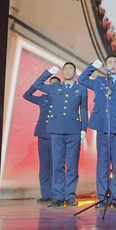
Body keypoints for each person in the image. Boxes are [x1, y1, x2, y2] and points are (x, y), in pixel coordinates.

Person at [78, 55, 116, 207]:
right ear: (105, 67)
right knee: (102, 165)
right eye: (109, 62)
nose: (112, 65)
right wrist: (93, 66)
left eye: (115, 62)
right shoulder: (99, 81)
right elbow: (82, 79)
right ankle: (103, 197)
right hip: (103, 127)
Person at [31, 62, 88, 207]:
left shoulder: (81, 89)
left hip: (74, 130)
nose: (68, 71)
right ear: (62, 72)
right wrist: (48, 72)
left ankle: (70, 196)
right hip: (56, 129)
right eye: (65, 69)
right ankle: (57, 196)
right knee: (57, 165)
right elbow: (37, 84)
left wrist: (83, 129)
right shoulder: (55, 87)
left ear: (75, 73)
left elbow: (84, 110)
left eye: (70, 69)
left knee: (72, 165)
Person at [23, 73, 59, 203]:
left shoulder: (61, 98)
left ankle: (56, 194)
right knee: (44, 166)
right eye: (51, 84)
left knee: (56, 166)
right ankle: (46, 194)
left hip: (56, 135)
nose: (53, 87)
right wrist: (38, 85)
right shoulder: (43, 98)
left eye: (56, 84)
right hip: (43, 134)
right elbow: (26, 95)